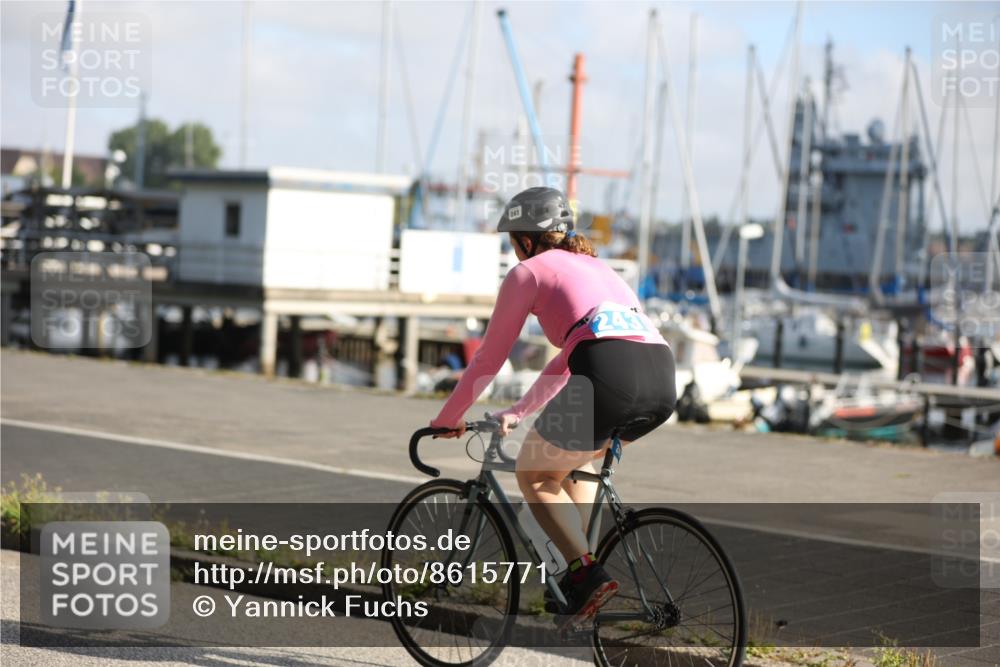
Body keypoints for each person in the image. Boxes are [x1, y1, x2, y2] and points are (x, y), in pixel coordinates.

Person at [430, 186, 676, 629]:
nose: (513, 250)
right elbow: (567, 362)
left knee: (534, 473)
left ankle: (585, 574)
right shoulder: (598, 268)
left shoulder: (528, 273)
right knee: (573, 466)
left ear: (526, 240)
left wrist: (448, 418)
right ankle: (577, 579)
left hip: (610, 375)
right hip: (661, 378)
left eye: (512, 241)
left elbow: (488, 359)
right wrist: (518, 411)